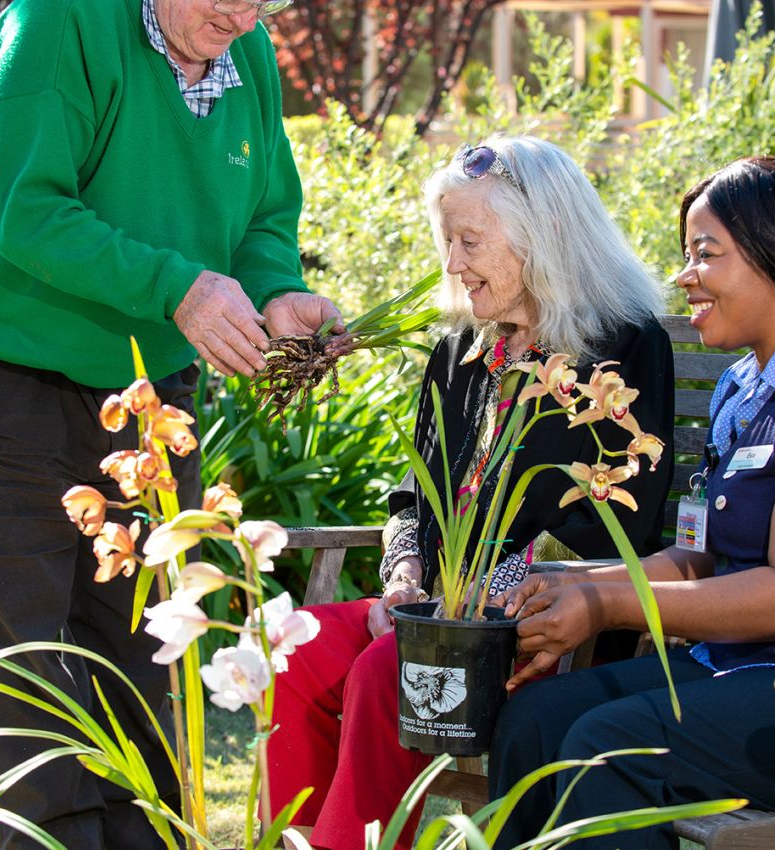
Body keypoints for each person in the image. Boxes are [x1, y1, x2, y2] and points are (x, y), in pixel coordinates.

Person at [0, 0, 344, 847]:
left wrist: (274, 291)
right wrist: (178, 288)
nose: (245, 14)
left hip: (150, 391)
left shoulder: (243, 50)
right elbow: (25, 210)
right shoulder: (59, 21)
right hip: (9, 376)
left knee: (141, 657)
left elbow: (262, 216)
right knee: (27, 669)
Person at [488, 156, 775, 849]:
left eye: (705, 255)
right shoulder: (746, 386)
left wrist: (607, 604)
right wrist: (565, 582)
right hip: (745, 673)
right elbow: (700, 558)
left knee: (610, 747)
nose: (684, 276)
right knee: (538, 718)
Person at [267, 136, 675, 850]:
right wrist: (403, 578)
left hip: (540, 625)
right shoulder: (460, 350)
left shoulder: (623, 345)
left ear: (544, 233)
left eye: (469, 240)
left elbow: (619, 522)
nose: (451, 263)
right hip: (433, 615)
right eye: (446, 239)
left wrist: (477, 597)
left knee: (382, 673)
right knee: (294, 658)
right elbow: (411, 497)